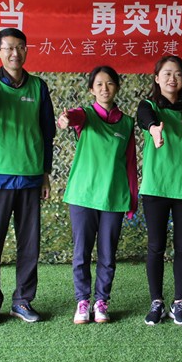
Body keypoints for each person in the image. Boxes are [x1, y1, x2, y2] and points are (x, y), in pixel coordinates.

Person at [0, 28, 54, 325]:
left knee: (29, 244)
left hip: (30, 176)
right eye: (8, 48)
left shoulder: (39, 87)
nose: (14, 53)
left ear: (26, 50)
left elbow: (47, 131)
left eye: (20, 47)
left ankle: (22, 301)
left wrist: (45, 173)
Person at [57, 66, 138, 324]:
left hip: (113, 197)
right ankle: (82, 301)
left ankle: (101, 301)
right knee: (81, 252)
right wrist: (65, 119)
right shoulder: (86, 115)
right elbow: (73, 116)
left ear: (117, 88)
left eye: (110, 83)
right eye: (99, 84)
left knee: (107, 254)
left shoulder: (126, 123)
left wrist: (132, 199)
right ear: (92, 89)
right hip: (83, 195)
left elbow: (130, 164)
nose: (105, 88)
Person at [137, 56, 182, 326]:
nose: (172, 78)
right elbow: (145, 119)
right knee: (156, 247)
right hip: (156, 187)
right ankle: (156, 302)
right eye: (166, 73)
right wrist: (154, 129)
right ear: (157, 78)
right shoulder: (149, 106)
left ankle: (179, 303)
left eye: (178, 74)